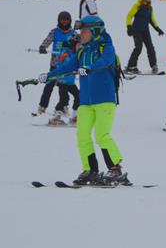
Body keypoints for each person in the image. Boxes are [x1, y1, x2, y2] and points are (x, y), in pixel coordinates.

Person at [41, 15, 127, 186]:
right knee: (82, 135)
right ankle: (90, 170)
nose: (81, 34)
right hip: (86, 102)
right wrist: (48, 76)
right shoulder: (82, 51)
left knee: (101, 135)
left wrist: (89, 68)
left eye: (84, 31)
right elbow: (66, 67)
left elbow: (105, 62)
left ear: (95, 31)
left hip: (104, 100)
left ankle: (115, 169)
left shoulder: (106, 47)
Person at [35, 11, 76, 117]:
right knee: (49, 85)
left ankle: (63, 107)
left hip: (66, 65)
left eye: (66, 20)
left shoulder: (73, 34)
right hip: (54, 64)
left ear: (70, 21)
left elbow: (78, 46)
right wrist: (43, 47)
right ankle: (42, 107)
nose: (64, 22)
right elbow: (48, 40)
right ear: (59, 21)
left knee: (63, 87)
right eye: (62, 20)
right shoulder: (55, 32)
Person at [125, 0, 164, 74]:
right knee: (138, 47)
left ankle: (154, 65)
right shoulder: (137, 6)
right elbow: (129, 16)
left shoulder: (150, 8)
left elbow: (152, 20)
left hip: (145, 30)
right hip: (136, 30)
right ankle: (131, 66)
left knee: (150, 47)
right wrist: (129, 27)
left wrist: (157, 29)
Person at [49, 33, 81, 126]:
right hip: (62, 81)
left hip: (70, 81)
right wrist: (75, 68)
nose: (80, 47)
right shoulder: (66, 52)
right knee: (64, 99)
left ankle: (75, 116)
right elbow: (66, 64)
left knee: (79, 96)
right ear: (73, 44)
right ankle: (56, 117)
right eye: (78, 45)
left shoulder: (76, 54)